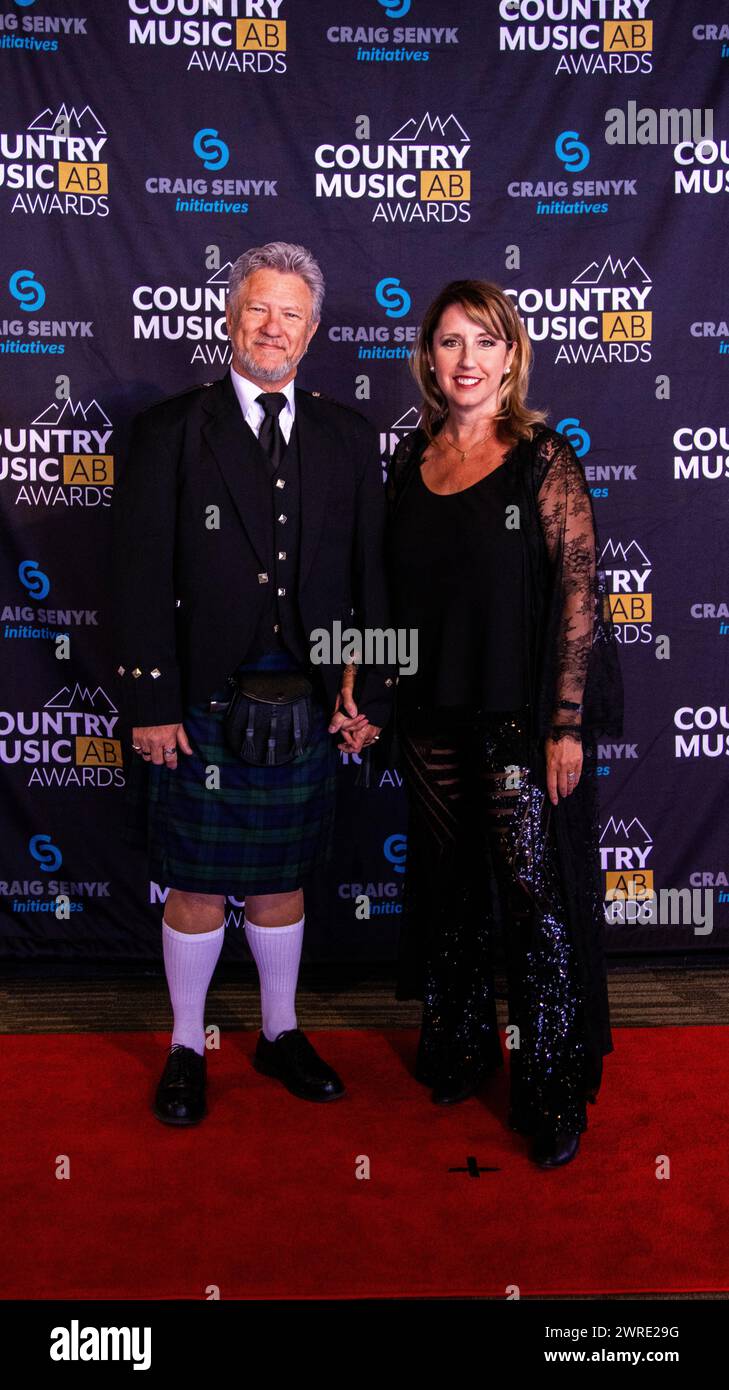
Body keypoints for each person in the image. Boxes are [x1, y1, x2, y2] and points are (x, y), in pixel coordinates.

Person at [111, 241, 394, 1126]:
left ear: (313, 331)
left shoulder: (348, 436)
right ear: (230, 319)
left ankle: (279, 1032)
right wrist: (150, 702)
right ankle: (185, 1046)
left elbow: (370, 577)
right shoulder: (168, 430)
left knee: (281, 880)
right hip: (200, 695)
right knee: (195, 883)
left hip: (306, 693)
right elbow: (136, 576)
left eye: (291, 314)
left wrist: (369, 692)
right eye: (258, 309)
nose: (273, 328)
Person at [384, 279, 624, 1168]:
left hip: (516, 718)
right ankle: (458, 1049)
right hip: (427, 712)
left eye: (485, 341)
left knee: (532, 902)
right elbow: (387, 591)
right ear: (428, 357)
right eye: (450, 341)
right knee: (448, 888)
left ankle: (552, 1091)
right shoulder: (408, 460)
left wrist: (564, 722)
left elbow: (578, 595)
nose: (467, 360)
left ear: (512, 356)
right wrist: (363, 684)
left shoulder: (542, 459)